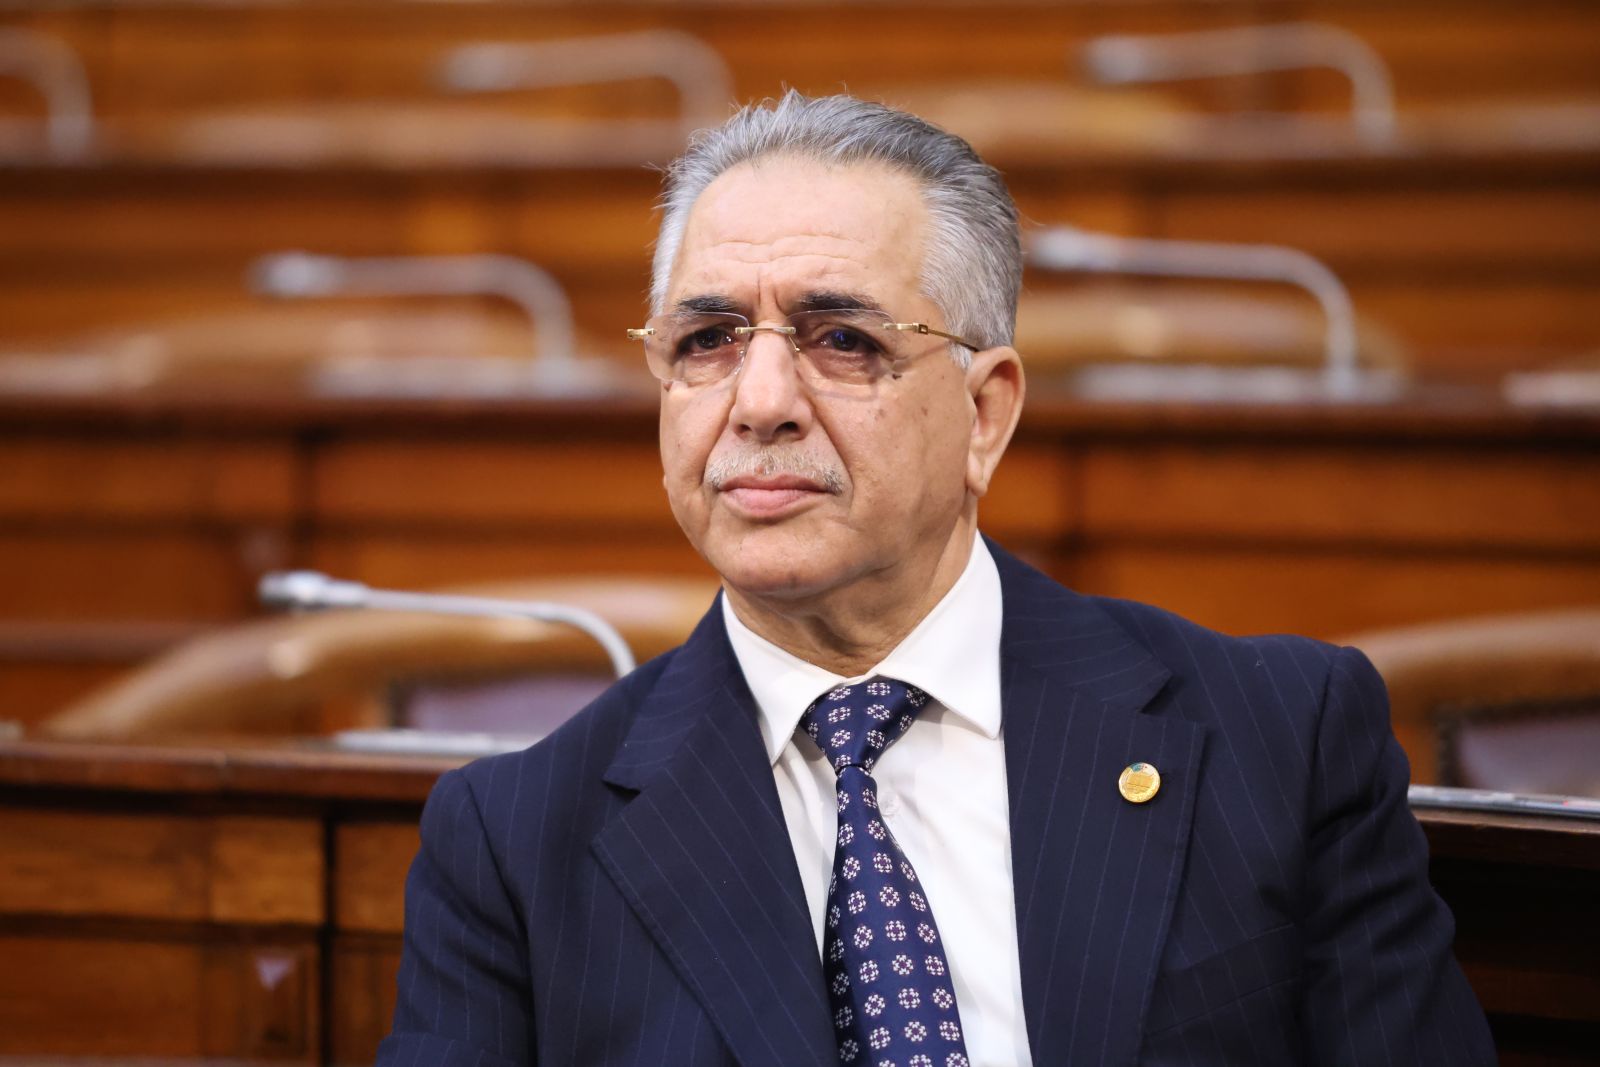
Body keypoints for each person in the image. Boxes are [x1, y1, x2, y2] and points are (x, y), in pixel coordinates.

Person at [376, 92, 1495, 1066]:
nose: (758, 402)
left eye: (841, 339)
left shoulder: (1282, 740)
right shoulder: (514, 844)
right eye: (708, 338)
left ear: (984, 413)